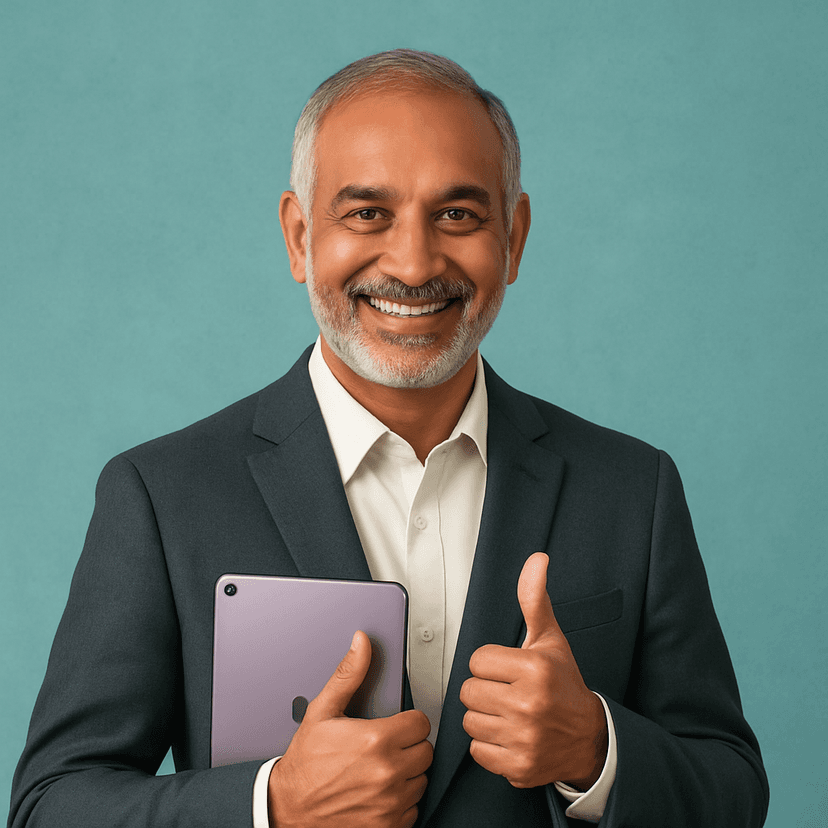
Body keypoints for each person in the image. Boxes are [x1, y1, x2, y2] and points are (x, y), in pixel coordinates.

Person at [8, 49, 769, 828]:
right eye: (368, 213)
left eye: (459, 215)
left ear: (515, 236)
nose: (413, 263)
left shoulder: (632, 490)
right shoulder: (162, 497)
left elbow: (733, 791)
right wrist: (270, 804)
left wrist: (596, 752)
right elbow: (51, 804)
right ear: (301, 238)